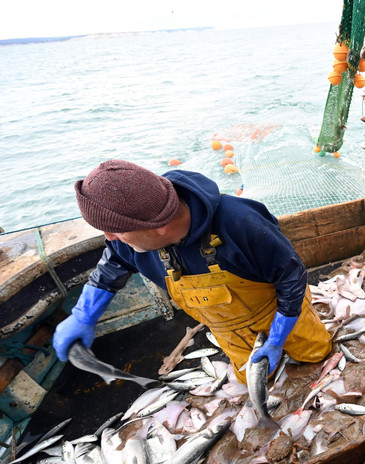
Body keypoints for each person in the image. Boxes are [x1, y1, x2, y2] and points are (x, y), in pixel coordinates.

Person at [52, 159, 332, 384]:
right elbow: (113, 262)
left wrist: (276, 339)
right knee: (254, 380)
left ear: (158, 227)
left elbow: (291, 278)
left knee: (316, 352)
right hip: (228, 329)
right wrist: (83, 316)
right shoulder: (132, 241)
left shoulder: (241, 222)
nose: (109, 238)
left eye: (116, 231)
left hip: (282, 312)